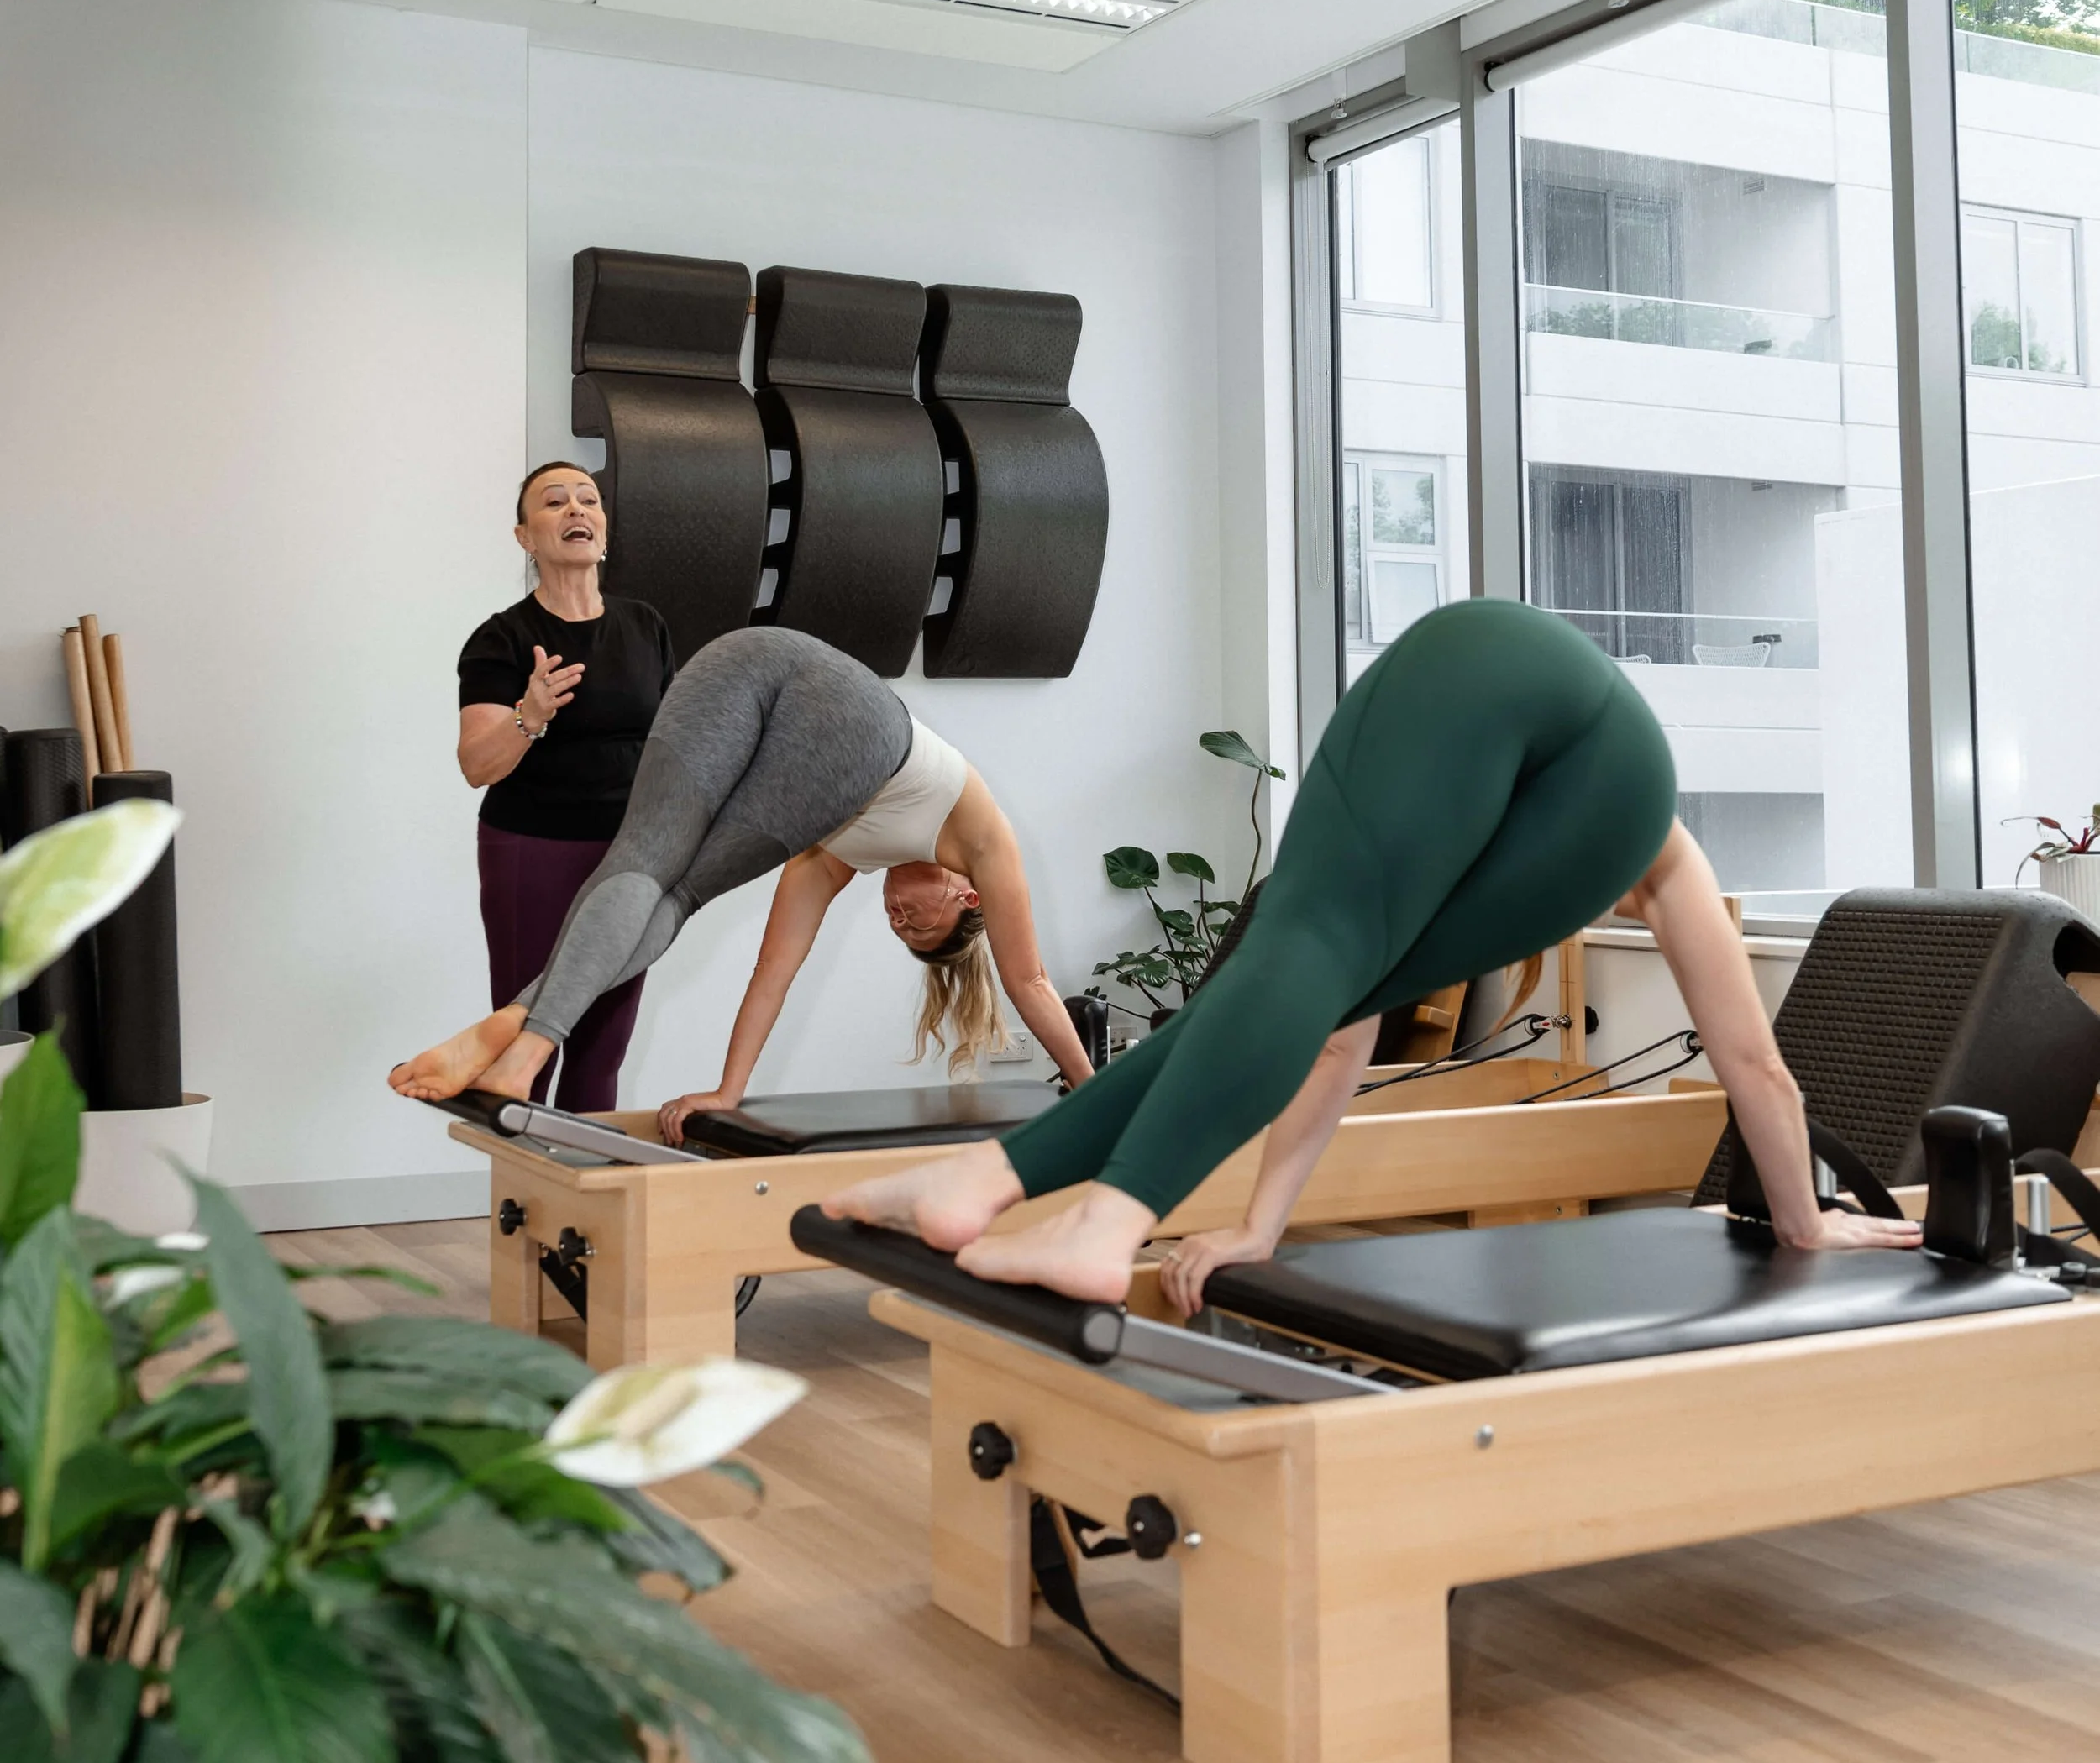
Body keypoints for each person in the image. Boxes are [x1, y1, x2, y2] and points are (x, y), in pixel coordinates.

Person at [822, 597, 1924, 1301]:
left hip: (1451, 650)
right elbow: (1756, 1066)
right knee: (1321, 950)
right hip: (1519, 698)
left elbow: (1333, 1041)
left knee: (1303, 962)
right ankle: (1106, 1222)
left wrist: (1261, 1225)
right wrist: (1801, 1216)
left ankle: (986, 1180)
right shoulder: (1652, 841)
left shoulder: (1519, 831)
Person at [391, 627, 1095, 1110]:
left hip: (740, 658)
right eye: (920, 921)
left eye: (900, 932)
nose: (899, 918)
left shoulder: (831, 856)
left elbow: (771, 976)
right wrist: (1099, 1098)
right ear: (968, 898)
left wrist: (729, 1090)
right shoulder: (986, 843)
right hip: (856, 720)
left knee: (646, 864)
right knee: (680, 885)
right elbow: (1027, 980)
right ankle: (525, 1058)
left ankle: (517, 1025)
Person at [454, 461, 675, 1112]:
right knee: (526, 1037)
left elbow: (668, 743)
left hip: (631, 857)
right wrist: (532, 715)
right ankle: (522, 1205)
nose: (576, 510)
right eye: (554, 503)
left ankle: (588, 1208)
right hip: (533, 850)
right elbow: (476, 765)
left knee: (603, 1046)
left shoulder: (645, 626)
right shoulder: (502, 638)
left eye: (588, 500)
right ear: (526, 537)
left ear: (603, 529)